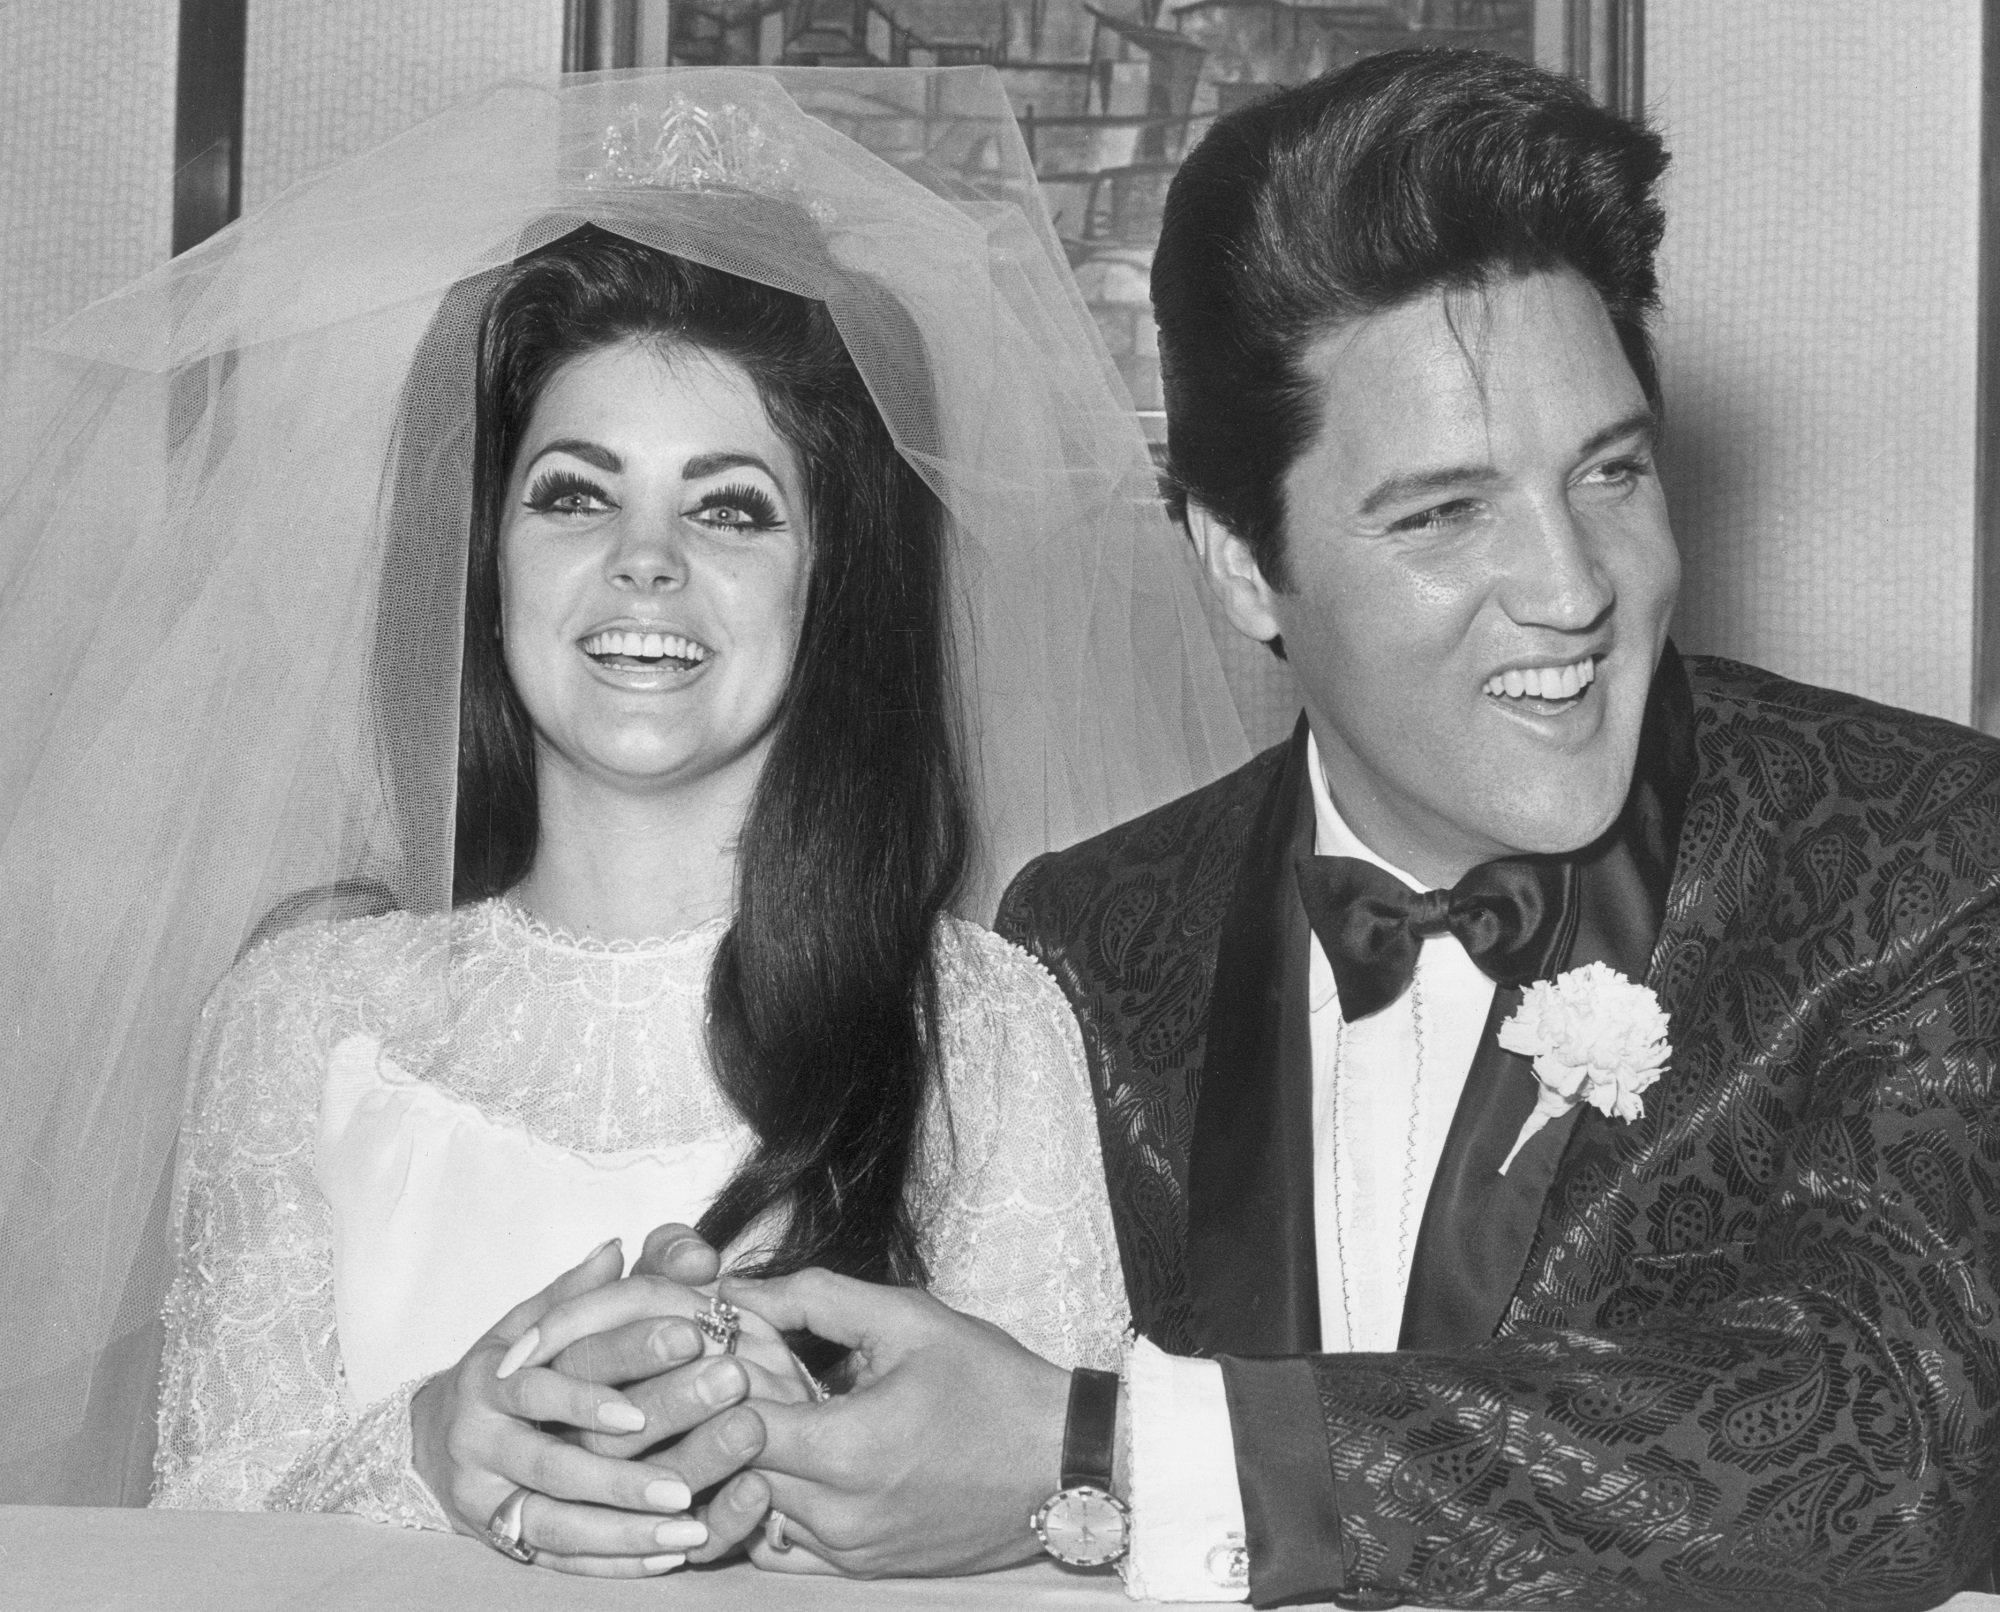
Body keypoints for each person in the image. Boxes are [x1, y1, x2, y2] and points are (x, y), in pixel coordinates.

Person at [616, 48, 2000, 1608]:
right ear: (1238, 565)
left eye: (1609, 472)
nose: (1575, 587)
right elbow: (937, 1441)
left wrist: (1112, 1450)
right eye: (1444, 511)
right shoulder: (1082, 938)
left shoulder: (1942, 856)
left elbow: (1891, 1443)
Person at [0, 68, 1247, 1534]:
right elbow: (197, 1548)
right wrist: (434, 1450)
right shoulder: (302, 1017)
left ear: (831, 586)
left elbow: (1076, 1525)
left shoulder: (978, 1027)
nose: (645, 562)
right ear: (486, 560)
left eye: (730, 507)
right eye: (576, 494)